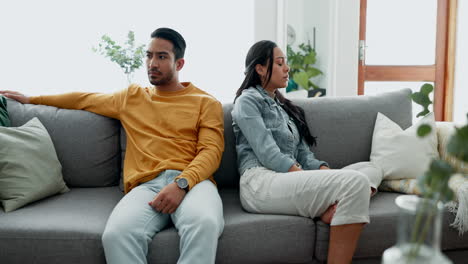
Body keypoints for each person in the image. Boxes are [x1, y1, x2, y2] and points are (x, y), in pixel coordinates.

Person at [0, 28, 225, 264]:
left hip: (192, 182)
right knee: (117, 235)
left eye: (161, 57)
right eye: (148, 55)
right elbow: (83, 99)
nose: (152, 63)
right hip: (146, 185)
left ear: (179, 64)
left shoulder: (206, 102)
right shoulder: (132, 97)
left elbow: (211, 151)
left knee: (205, 224)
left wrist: (181, 184)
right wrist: (32, 99)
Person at [232, 40, 371, 264]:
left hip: (287, 179)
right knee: (357, 183)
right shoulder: (247, 101)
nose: (287, 68)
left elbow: (305, 156)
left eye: (285, 63)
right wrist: (318, 179)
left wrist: (324, 172)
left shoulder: (284, 108)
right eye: (279, 63)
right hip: (260, 182)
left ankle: (335, 205)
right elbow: (268, 153)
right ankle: (336, 203)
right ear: (260, 68)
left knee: (368, 170)